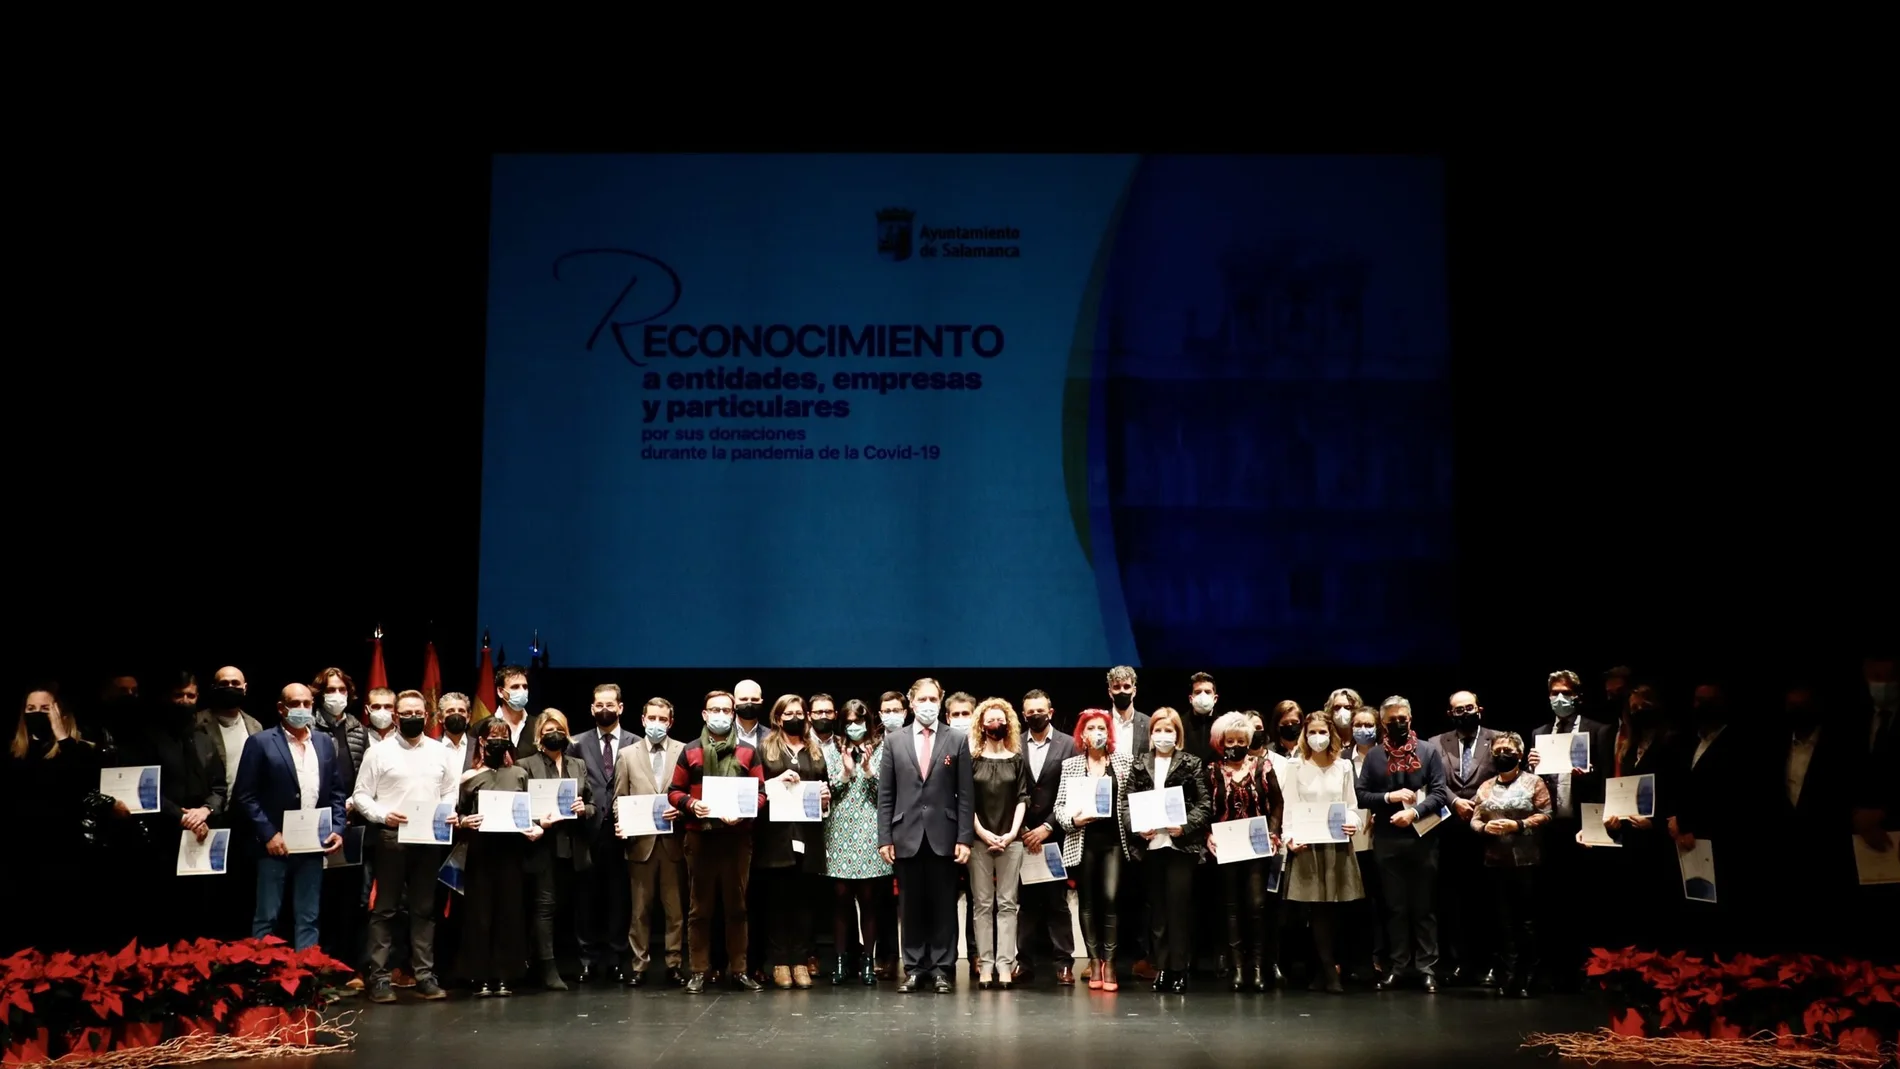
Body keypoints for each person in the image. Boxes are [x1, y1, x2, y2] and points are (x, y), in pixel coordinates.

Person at [349, 689, 455, 1002]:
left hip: (428, 837)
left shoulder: (440, 752)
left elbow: (449, 791)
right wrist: (383, 814)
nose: (412, 718)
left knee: (424, 909)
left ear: (427, 715)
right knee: (385, 909)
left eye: (418, 713)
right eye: (406, 713)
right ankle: (379, 977)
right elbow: (361, 795)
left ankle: (424, 975)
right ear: (396, 717)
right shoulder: (379, 752)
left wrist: (446, 811)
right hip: (391, 836)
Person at [231, 683, 348, 951]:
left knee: (309, 917)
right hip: (274, 845)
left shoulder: (324, 742)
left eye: (307, 704)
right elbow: (245, 795)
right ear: (281, 708)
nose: (302, 709)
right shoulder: (260, 742)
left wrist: (338, 828)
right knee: (267, 917)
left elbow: (337, 793)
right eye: (295, 704)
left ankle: (306, 978)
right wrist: (269, 833)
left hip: (312, 845)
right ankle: (264, 980)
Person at [876, 678, 975, 993]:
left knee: (944, 905)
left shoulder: (956, 740)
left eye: (934, 699)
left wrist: (964, 837)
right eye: (923, 699)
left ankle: (944, 968)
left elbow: (966, 795)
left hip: (944, 835)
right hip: (906, 834)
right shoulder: (895, 741)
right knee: (912, 906)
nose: (928, 704)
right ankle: (916, 968)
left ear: (941, 700)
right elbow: (886, 795)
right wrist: (884, 838)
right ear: (912, 702)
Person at [670, 690, 767, 994]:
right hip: (699, 838)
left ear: (734, 713)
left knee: (737, 907)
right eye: (715, 709)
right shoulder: (690, 751)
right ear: (704, 714)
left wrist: (744, 812)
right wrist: (691, 804)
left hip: (737, 840)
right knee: (700, 909)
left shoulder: (748, 752)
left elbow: (762, 794)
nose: (721, 715)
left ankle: (739, 970)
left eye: (727, 710)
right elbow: (674, 791)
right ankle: (699, 970)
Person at [1355, 695, 1449, 993]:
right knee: (1394, 907)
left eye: (1403, 719)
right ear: (1383, 723)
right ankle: (1398, 966)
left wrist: (1414, 812)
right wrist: (1389, 798)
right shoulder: (1374, 756)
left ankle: (1426, 968)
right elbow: (1362, 795)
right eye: (1392, 720)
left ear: (1411, 719)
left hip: (1423, 837)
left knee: (1423, 908)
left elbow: (1439, 792)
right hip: (1387, 839)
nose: (1398, 724)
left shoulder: (1428, 751)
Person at [1125, 707, 1209, 994]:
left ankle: (1179, 969)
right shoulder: (1139, 763)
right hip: (1151, 846)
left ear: (1178, 735)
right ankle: (1161, 967)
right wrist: (1138, 827)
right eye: (1158, 730)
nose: (1163, 735)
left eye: (1169, 731)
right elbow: (1126, 804)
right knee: (1157, 913)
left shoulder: (1191, 763)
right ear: (1150, 735)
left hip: (1180, 847)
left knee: (1178, 911)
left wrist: (1184, 826)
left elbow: (1205, 804)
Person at [456, 717, 540, 997]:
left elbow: (528, 810)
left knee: (509, 912)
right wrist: (465, 821)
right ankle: (478, 975)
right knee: (480, 915)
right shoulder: (469, 777)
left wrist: (533, 827)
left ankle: (506, 974)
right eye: (493, 736)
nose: (498, 741)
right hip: (481, 852)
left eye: (504, 736)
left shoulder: (519, 774)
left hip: (511, 852)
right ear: (481, 741)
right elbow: (459, 813)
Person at [1052, 708, 1135, 992]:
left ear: (1109, 733)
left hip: (1113, 841)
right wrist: (1072, 820)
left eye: (1102, 727)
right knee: (1087, 903)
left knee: (1110, 899)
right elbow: (1059, 807)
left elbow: (1133, 801)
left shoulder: (1124, 761)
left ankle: (1110, 961)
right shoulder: (1071, 765)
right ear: (1082, 734)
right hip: (1083, 841)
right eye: (1091, 728)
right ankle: (1095, 959)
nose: (1097, 732)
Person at [1282, 711, 1363, 994]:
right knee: (1316, 909)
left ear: (1332, 734)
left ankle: (1322, 971)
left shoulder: (1343, 767)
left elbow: (1351, 806)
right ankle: (1329, 972)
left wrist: (1353, 822)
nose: (1318, 737)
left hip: (1336, 843)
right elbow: (1289, 808)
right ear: (1306, 734)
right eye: (1313, 732)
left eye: (1323, 732)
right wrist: (1288, 839)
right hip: (1307, 844)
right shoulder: (1296, 766)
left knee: (1334, 908)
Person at [1205, 710, 1285, 991]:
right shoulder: (1213, 771)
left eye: (1241, 740)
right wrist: (1208, 836)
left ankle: (1258, 967)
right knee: (1232, 908)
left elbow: (1277, 803)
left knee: (1256, 906)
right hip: (1226, 847)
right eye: (1230, 740)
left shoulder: (1262, 767)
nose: (1235, 745)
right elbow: (1207, 809)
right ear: (1222, 742)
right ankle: (1238, 969)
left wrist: (1274, 833)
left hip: (1257, 846)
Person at [1467, 731, 1551, 998]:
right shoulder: (1486, 786)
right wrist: (1484, 828)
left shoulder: (1533, 782)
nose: (1503, 754)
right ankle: (1509, 973)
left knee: (1527, 921)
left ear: (1519, 754)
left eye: (1508, 750)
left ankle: (1530, 974)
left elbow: (1547, 814)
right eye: (1498, 749)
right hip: (1495, 862)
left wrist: (1519, 824)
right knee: (1504, 921)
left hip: (1526, 860)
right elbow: (1475, 818)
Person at [756, 694, 830, 989]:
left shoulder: (815, 751)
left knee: (804, 902)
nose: (795, 717)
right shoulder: (766, 749)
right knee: (777, 902)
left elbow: (824, 788)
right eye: (789, 713)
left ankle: (800, 961)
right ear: (778, 717)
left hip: (808, 835)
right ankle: (779, 963)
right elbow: (756, 791)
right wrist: (776, 783)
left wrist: (825, 797)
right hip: (776, 837)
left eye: (799, 713)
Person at [612, 697, 686, 987]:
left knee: (675, 910)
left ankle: (674, 963)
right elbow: (619, 798)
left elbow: (689, 792)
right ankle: (639, 965)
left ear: (670, 722)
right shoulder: (627, 755)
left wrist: (681, 810)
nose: (656, 723)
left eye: (662, 719)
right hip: (640, 842)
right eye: (651, 718)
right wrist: (622, 823)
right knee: (640, 911)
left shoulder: (683, 750)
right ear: (643, 720)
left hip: (672, 841)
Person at [521, 708, 594, 990]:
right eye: (548, 731)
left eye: (559, 731)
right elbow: (519, 808)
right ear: (539, 736)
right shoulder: (526, 765)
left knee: (566, 906)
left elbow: (591, 805)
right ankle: (545, 967)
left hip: (572, 846)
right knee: (544, 907)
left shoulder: (578, 765)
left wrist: (581, 809)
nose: (554, 735)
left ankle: (562, 962)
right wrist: (540, 821)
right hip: (542, 846)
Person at [1430, 690, 1499, 987]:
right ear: (1450, 714)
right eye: (1458, 709)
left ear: (1479, 708)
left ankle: (1490, 962)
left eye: (1469, 707)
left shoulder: (1498, 739)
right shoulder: (1436, 743)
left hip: (1488, 832)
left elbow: (1506, 777)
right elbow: (1435, 781)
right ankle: (1461, 961)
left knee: (1488, 901)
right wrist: (1455, 801)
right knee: (1453, 901)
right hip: (1450, 831)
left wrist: (1480, 806)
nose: (1464, 713)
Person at [570, 683, 635, 984]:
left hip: (624, 832)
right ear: (592, 708)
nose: (605, 709)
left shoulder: (636, 743)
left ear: (621, 707)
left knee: (619, 899)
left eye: (610, 704)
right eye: (599, 705)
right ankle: (587, 958)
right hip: (588, 831)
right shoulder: (577, 744)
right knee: (586, 899)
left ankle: (618, 957)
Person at [824, 699, 889, 985]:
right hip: (838, 830)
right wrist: (846, 772)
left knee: (869, 900)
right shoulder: (830, 749)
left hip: (870, 830)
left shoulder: (883, 750)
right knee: (840, 899)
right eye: (848, 722)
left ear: (868, 721)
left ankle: (868, 961)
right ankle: (840, 961)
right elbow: (828, 793)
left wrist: (866, 771)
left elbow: (884, 796)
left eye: (858, 721)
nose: (853, 727)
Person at [1015, 689, 1077, 985]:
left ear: (1050, 712)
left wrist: (1048, 826)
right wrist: (1024, 828)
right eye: (1029, 712)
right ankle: (1023, 962)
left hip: (1056, 833)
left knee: (1057, 902)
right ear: (1023, 714)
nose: (1035, 716)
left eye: (1040, 710)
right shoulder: (1013, 744)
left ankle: (1064, 963)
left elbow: (1073, 791)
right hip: (1022, 833)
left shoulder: (1069, 745)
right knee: (1025, 903)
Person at [967, 697, 1029, 989]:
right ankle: (985, 965)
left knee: (1007, 904)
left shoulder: (1017, 759)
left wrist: (1011, 833)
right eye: (990, 720)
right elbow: (965, 802)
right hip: (979, 841)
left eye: (1001, 720)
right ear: (981, 725)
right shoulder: (972, 761)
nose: (996, 725)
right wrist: (981, 832)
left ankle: (1006, 965)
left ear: (1009, 724)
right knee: (982, 905)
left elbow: (1022, 799)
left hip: (1011, 840)